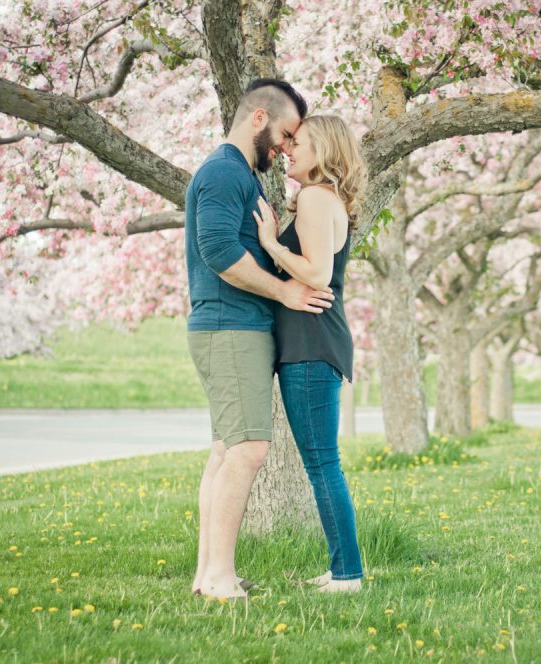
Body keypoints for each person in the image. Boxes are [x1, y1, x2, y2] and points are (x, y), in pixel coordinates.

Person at [185, 79, 336, 600]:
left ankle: (209, 574)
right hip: (230, 325)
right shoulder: (225, 172)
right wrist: (285, 292)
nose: (286, 147)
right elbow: (219, 252)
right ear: (258, 118)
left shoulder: (239, 175)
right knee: (248, 448)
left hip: (230, 326)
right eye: (285, 133)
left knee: (227, 449)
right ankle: (220, 578)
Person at [253, 114, 367, 592]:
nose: (288, 151)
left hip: (311, 344)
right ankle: (343, 568)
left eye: (298, 143)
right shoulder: (319, 200)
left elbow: (317, 274)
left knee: (323, 462)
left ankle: (348, 574)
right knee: (322, 462)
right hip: (312, 343)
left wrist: (268, 244)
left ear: (324, 149)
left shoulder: (318, 198)